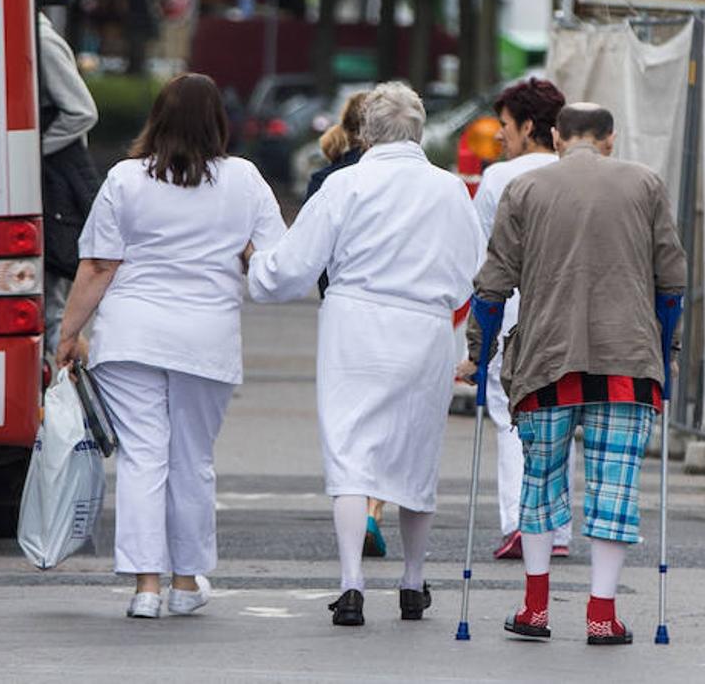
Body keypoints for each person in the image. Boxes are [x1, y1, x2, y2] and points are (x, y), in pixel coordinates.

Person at [247, 82, 483, 627]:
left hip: (355, 323)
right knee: (417, 455)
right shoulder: (450, 191)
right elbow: (473, 266)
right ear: (419, 131)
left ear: (366, 132)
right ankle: (412, 580)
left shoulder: (346, 184)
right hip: (424, 327)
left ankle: (351, 582)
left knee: (351, 454)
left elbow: (295, 266)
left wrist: (257, 269)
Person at [54, 73, 286, 620]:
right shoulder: (246, 180)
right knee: (193, 462)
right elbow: (276, 260)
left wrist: (68, 334)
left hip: (131, 335)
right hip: (206, 338)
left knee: (142, 459)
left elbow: (98, 266)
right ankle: (187, 582)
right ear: (219, 121)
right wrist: (243, 252)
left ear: (156, 117)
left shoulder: (125, 178)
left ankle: (146, 589)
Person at [469, 102, 687, 645]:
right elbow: (672, 281)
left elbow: (493, 284)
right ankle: (601, 613)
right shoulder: (646, 185)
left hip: (547, 360)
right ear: (610, 138)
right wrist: (668, 349)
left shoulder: (526, 190)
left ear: (559, 139)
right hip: (628, 364)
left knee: (540, 483)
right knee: (615, 486)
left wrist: (480, 352)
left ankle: (536, 610)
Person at [463, 78, 574, 561]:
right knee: (563, 411)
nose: (500, 136)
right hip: (572, 308)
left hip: (515, 308)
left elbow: (483, 255)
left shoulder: (499, 179)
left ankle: (520, 523)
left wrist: (473, 341)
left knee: (510, 413)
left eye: (506, 126)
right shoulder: (576, 173)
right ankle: (561, 528)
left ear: (529, 126)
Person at [305, 93, 391, 559]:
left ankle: (357, 514)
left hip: (344, 310)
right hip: (399, 314)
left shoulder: (326, 179)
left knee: (351, 422)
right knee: (388, 419)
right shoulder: (408, 177)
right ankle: (376, 509)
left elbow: (314, 252)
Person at [38, 12, 100, 339]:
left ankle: (61, 383)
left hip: (55, 185)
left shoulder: (41, 40)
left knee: (53, 304)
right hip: (52, 183)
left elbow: (82, 111)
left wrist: (31, 152)